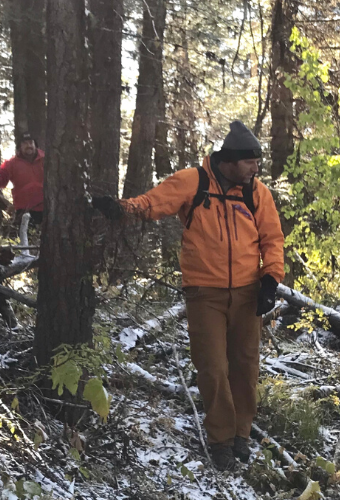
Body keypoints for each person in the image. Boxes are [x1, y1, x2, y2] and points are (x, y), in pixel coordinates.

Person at [93, 121, 285, 471]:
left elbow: (272, 239)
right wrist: (122, 209)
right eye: (250, 162)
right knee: (212, 368)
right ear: (230, 161)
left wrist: (270, 280)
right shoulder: (193, 182)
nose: (256, 169)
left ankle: (242, 433)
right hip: (204, 293)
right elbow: (154, 203)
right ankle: (222, 439)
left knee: (245, 367)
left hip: (248, 293)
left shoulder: (257, 192)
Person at [0, 132, 45, 227]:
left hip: (47, 208)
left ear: (35, 144)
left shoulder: (46, 159)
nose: (28, 146)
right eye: (25, 143)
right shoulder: (12, 163)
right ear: (19, 146)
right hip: (24, 210)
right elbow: (1, 177)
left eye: (30, 142)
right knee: (26, 239)